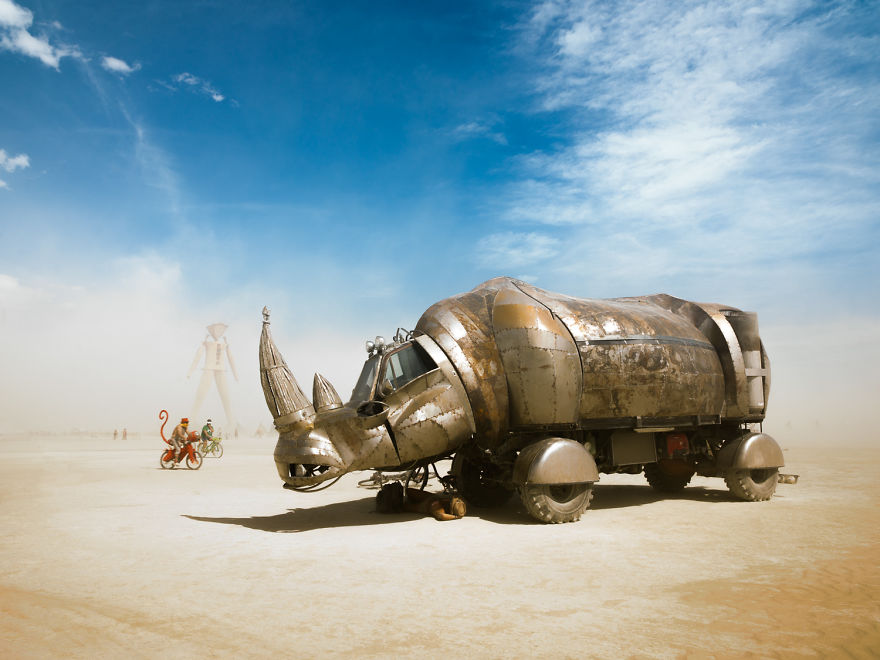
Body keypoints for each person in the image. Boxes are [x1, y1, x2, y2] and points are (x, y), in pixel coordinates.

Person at [376, 482, 467, 521]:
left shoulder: (436, 505)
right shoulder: (437, 501)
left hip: (412, 504)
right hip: (419, 501)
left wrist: (456, 517)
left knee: (407, 496)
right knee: (408, 491)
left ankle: (395, 502)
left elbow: (442, 516)